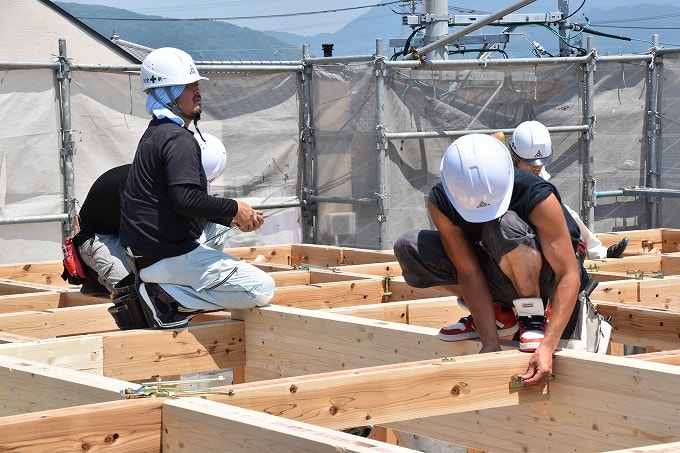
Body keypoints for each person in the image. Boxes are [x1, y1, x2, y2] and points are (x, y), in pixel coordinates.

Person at [393, 133, 588, 387]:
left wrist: (548, 346)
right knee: (409, 247)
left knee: (503, 225)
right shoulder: (441, 200)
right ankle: (500, 314)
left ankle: (532, 314)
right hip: (497, 269)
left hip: (547, 279)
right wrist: (490, 343)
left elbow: (568, 273)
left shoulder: (535, 193)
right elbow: (469, 272)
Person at [120, 47, 274, 329]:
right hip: (168, 256)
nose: (197, 90)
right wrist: (234, 208)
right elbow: (186, 199)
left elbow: (179, 200)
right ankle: (166, 298)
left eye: (196, 83)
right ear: (165, 94)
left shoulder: (156, 134)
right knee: (261, 288)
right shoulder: (178, 139)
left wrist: (232, 217)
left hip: (149, 256)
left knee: (218, 230)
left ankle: (167, 295)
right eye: (187, 85)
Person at [73, 131, 232, 298]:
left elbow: (195, 206)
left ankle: (195, 279)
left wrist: (233, 215)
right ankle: (96, 281)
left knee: (216, 226)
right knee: (137, 295)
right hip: (99, 239)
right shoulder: (136, 183)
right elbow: (146, 234)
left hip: (125, 236)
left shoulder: (164, 179)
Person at [507, 120, 629, 260]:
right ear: (513, 155)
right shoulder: (505, 174)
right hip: (514, 222)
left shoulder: (534, 165)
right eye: (530, 162)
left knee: (568, 213)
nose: (537, 167)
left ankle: (599, 253)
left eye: (541, 162)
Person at [72, 164, 132, 296]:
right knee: (129, 290)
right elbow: (137, 228)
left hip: (123, 238)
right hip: (95, 238)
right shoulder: (129, 179)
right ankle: (95, 279)